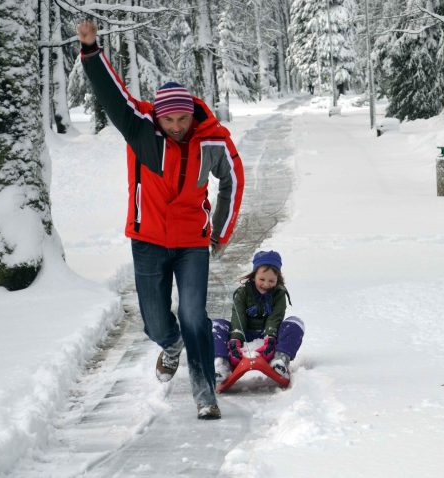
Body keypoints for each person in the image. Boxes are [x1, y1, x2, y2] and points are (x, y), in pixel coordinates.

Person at [76, 20, 244, 420]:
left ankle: (205, 393)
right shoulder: (142, 132)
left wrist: (219, 233)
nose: (176, 127)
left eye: (181, 120)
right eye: (169, 121)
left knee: (193, 315)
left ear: (190, 114)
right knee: (155, 322)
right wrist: (91, 51)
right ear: (159, 118)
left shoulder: (211, 140)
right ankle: (170, 346)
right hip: (148, 240)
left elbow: (233, 180)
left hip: (190, 243)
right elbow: (114, 98)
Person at [213, 251, 304, 382]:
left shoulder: (279, 294)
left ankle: (280, 359)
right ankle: (221, 364)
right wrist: (235, 340)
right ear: (254, 275)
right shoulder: (242, 293)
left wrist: (270, 338)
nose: (266, 284)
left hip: (269, 341)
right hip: (243, 338)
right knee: (216, 325)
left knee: (295, 323)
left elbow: (275, 317)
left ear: (278, 279)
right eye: (262, 279)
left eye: (271, 280)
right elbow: (239, 317)